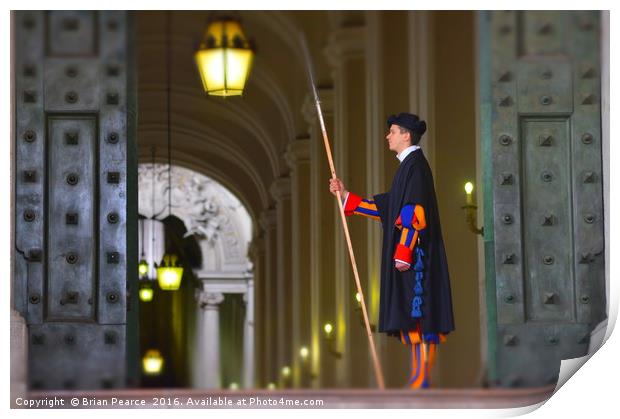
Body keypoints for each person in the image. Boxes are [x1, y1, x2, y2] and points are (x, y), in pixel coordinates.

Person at [329, 112, 455, 389]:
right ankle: (416, 376)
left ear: (406, 135)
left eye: (393, 131)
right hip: (408, 257)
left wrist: (404, 251)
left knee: (422, 317)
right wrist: (346, 196)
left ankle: (422, 378)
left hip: (416, 258)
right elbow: (389, 210)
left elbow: (414, 212)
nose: (388, 136)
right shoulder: (407, 167)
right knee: (413, 319)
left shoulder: (416, 167)